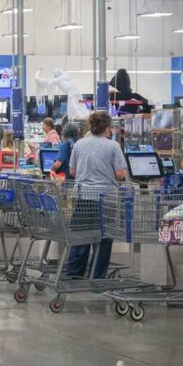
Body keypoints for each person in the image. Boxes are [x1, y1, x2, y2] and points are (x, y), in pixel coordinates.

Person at [67, 112, 128, 279]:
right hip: (106, 198)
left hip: (83, 196)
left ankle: (74, 274)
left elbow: (72, 171)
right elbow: (120, 174)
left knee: (81, 236)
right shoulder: (113, 146)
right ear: (107, 128)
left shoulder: (79, 144)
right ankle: (97, 276)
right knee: (104, 239)